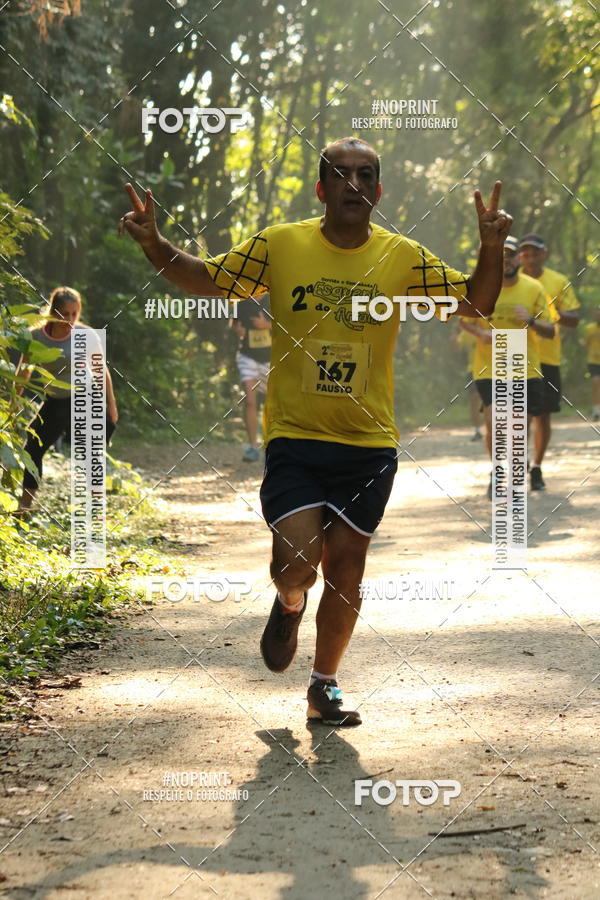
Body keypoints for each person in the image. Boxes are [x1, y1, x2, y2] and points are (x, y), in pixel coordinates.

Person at [119, 136, 511, 726]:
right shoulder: (281, 244)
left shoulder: (402, 256)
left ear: (378, 191)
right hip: (297, 436)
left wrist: (491, 247)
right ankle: (289, 600)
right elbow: (207, 278)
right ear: (321, 187)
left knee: (348, 565)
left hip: (369, 441)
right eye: (341, 173)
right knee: (298, 562)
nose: (353, 183)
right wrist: (155, 242)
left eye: (366, 174)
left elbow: (475, 304)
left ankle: (323, 685)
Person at [460, 236, 554, 499]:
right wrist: (481, 335)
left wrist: (532, 320)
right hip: (490, 368)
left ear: (518, 259)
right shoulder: (481, 286)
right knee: (494, 423)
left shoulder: (534, 288)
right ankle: (497, 471)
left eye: (510, 255)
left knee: (517, 428)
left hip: (524, 368)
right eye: (500, 256)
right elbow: (462, 320)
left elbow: (551, 331)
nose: (506, 261)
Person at [16, 287, 118, 513]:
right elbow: (23, 371)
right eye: (64, 313)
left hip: (85, 396)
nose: (70, 319)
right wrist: (14, 404)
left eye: (75, 313)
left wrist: (112, 406)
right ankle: (24, 505)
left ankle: (95, 506)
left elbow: (102, 373)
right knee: (32, 448)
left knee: (88, 452)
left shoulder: (86, 334)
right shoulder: (35, 337)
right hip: (56, 400)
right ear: (53, 312)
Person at [519, 234, 580, 490]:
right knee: (519, 415)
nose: (530, 257)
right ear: (520, 256)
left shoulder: (558, 281)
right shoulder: (511, 280)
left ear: (544, 254)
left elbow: (574, 319)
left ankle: (536, 467)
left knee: (542, 415)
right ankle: (517, 465)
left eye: (535, 253)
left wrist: (551, 311)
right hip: (514, 355)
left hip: (546, 358)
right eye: (525, 253)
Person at [232, 294, 272, 462]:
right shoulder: (240, 301)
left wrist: (267, 324)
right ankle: (253, 446)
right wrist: (238, 330)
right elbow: (236, 326)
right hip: (248, 357)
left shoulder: (274, 297)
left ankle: (272, 445)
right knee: (250, 401)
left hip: (272, 358)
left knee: (272, 405)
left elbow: (290, 326)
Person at [456, 320, 483, 441]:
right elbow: (456, 348)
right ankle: (478, 430)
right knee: (474, 401)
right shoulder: (466, 332)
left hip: (493, 369)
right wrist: (453, 341)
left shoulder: (492, 326)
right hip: (472, 370)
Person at [583, 308, 600, 421]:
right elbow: (586, 343)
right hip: (593, 361)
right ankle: (596, 410)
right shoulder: (589, 328)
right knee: (596, 382)